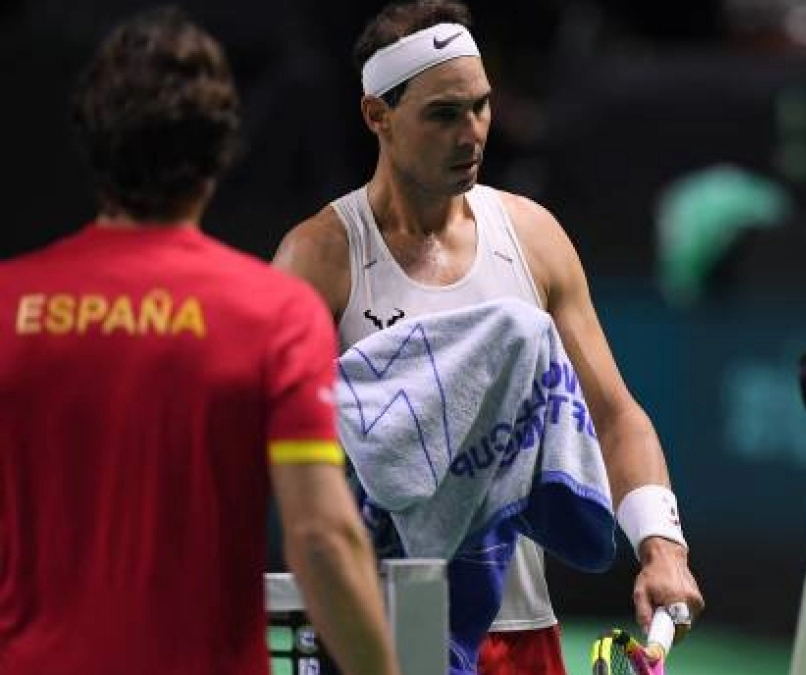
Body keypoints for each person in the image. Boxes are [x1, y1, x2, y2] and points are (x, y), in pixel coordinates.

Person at [271, 1, 704, 673]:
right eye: (444, 114)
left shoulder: (531, 238)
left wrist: (662, 545)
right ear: (377, 117)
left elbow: (616, 415)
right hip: (377, 629)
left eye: (481, 106)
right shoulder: (320, 257)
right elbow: (287, 451)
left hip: (520, 630)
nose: (472, 133)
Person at [0, 8, 400, 675]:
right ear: (219, 153)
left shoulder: (9, 306)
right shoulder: (275, 315)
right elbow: (323, 537)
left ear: (90, 144)